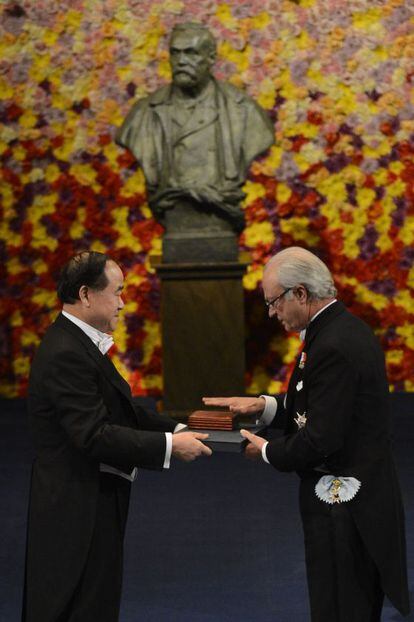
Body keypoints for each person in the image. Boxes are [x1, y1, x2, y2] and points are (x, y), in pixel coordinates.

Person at [204, 246, 410, 622]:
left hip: (347, 510)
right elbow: (319, 404)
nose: (272, 313)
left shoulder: (333, 343)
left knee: (342, 608)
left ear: (300, 293)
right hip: (346, 505)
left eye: (275, 302)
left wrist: (266, 451)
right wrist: (264, 406)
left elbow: (322, 437)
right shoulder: (334, 330)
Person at [22, 251, 211, 622]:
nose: (123, 304)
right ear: (86, 295)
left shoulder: (76, 341)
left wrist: (178, 428)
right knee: (77, 605)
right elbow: (93, 434)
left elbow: (119, 407)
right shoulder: (66, 352)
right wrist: (171, 447)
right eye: (118, 292)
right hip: (76, 509)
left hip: (93, 498)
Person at [116, 22, 274, 261]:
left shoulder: (242, 111)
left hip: (221, 225)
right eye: (175, 52)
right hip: (175, 222)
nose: (181, 60)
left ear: (211, 58)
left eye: (190, 53)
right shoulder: (145, 113)